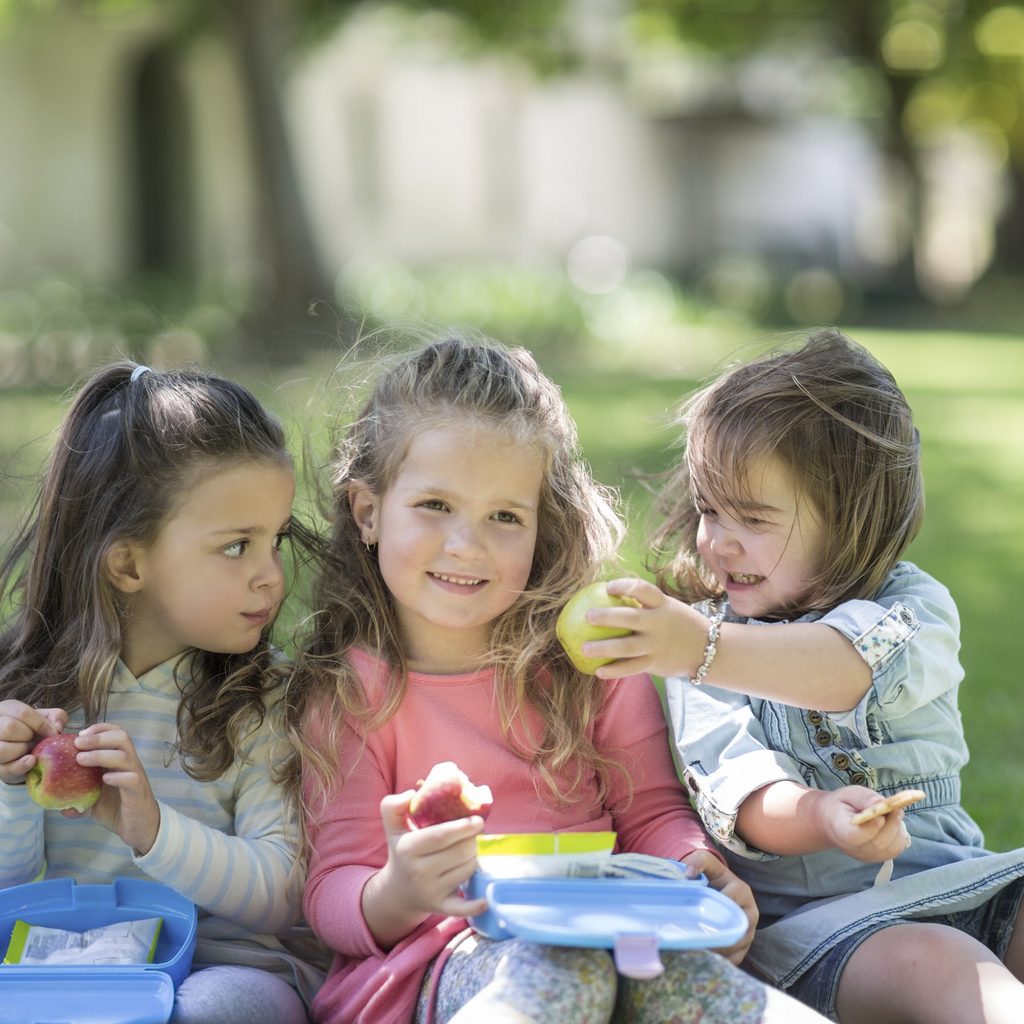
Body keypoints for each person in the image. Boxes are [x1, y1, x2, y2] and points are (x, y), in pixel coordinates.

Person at [283, 335, 830, 1024]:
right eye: (434, 506)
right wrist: (402, 887)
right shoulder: (353, 693)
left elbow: (652, 816)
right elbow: (333, 892)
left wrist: (699, 868)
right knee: (562, 975)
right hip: (441, 959)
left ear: (543, 528)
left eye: (505, 516)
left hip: (615, 931)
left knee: (702, 991)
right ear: (368, 511)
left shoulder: (591, 665)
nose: (467, 544)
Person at [584, 328, 1024, 1023]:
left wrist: (700, 644)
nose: (715, 541)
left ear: (851, 523)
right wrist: (820, 815)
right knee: (947, 969)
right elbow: (749, 804)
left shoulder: (913, 607)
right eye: (708, 509)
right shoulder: (700, 647)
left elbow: (847, 670)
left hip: (962, 883)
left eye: (752, 518)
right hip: (828, 935)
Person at [0, 362, 327, 1024]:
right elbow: (9, 887)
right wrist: (9, 786)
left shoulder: (268, 700)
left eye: (276, 541)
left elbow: (282, 895)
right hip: (58, 970)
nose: (270, 576)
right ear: (128, 564)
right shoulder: (25, 695)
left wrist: (152, 830)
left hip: (220, 968)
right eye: (237, 547)